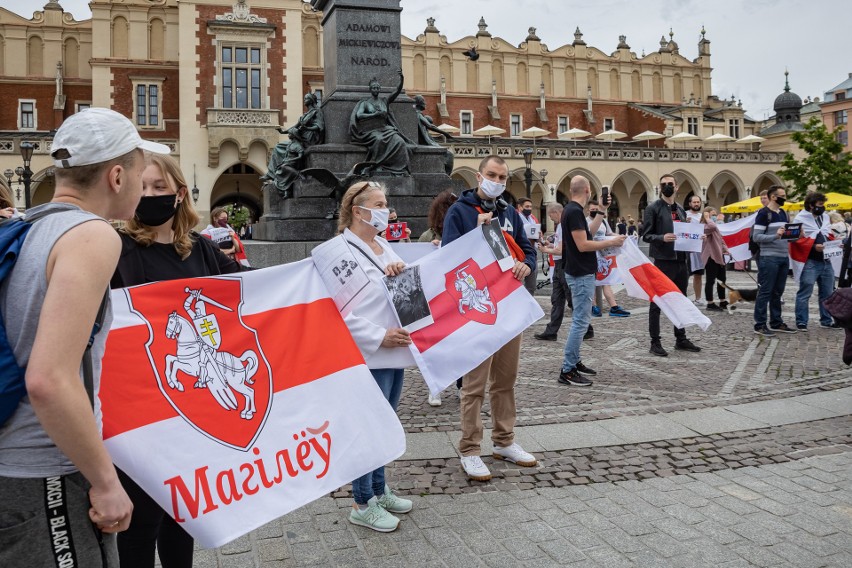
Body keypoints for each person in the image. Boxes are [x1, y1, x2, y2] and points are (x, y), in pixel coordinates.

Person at [0, 107, 171, 566]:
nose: (142, 183)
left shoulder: (27, 226)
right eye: (140, 171)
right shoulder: (91, 235)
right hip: (44, 472)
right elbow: (49, 379)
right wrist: (105, 481)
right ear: (117, 176)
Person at [109, 154, 244, 567]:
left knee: (181, 516)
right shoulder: (117, 250)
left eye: (158, 188)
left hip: (189, 407)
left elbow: (251, 289)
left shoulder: (201, 250)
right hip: (140, 412)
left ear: (180, 194)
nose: (148, 195)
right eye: (142, 187)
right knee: (140, 521)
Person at [441, 155, 537, 481]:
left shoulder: (510, 213)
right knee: (474, 386)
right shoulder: (460, 211)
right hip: (477, 309)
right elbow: (449, 258)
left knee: (506, 381)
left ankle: (504, 441)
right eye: (491, 175)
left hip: (509, 306)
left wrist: (528, 265)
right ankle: (470, 448)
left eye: (502, 177)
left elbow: (528, 249)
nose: (497, 180)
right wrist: (475, 236)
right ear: (479, 176)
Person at [336, 181, 414, 532]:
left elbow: (406, 287)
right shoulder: (340, 252)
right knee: (366, 428)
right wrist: (378, 336)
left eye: (385, 202)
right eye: (379, 203)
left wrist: (399, 273)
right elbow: (338, 311)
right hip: (371, 352)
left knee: (384, 424)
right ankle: (361, 501)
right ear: (358, 210)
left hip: (395, 351)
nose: (386, 209)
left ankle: (379, 490)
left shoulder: (382, 244)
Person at [560, 176, 627, 386]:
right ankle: (568, 370)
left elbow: (588, 233)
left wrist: (601, 211)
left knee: (582, 320)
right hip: (580, 273)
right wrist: (611, 241)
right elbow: (583, 245)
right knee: (580, 321)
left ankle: (575, 361)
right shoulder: (573, 212)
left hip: (580, 271)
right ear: (588, 190)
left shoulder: (572, 211)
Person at [641, 174, 702, 356]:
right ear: (660, 187)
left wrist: (697, 237)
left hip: (681, 261)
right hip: (663, 261)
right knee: (657, 302)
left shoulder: (681, 210)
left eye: (670, 184)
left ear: (677, 187)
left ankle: (680, 338)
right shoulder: (653, 208)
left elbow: (684, 235)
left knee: (680, 300)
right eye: (663, 184)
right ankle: (655, 342)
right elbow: (645, 235)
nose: (667, 186)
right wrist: (662, 237)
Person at [418, 190, 459, 406]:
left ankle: (462, 385)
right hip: (436, 296)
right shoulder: (429, 237)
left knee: (461, 343)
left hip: (457, 295)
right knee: (437, 345)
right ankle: (435, 387)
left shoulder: (465, 232)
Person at [752, 185, 797, 337]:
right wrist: (775, 236)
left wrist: (798, 235)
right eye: (782, 196)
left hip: (783, 257)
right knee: (765, 291)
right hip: (769, 257)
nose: (785, 198)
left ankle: (776, 322)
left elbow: (787, 237)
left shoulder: (783, 213)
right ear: (773, 197)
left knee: (778, 292)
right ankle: (760, 324)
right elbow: (756, 237)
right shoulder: (764, 214)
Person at [349, 72, 413, 176]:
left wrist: (401, 80)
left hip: (385, 128)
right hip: (370, 130)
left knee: (400, 141)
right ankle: (374, 166)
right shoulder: (365, 102)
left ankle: (401, 168)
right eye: (374, 88)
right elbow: (359, 115)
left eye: (377, 88)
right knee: (379, 140)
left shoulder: (384, 101)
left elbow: (396, 92)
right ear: (370, 89)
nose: (376, 90)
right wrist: (375, 114)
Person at [793, 192, 840, 331]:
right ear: (811, 205)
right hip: (810, 261)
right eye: (820, 205)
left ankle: (826, 320)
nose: (822, 207)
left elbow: (826, 234)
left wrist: (835, 243)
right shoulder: (800, 218)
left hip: (826, 260)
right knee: (805, 292)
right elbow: (796, 240)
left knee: (827, 293)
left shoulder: (825, 217)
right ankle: (801, 321)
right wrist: (813, 246)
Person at [587, 199, 630, 318]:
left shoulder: (604, 221)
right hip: (591, 255)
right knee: (592, 282)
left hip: (604, 255)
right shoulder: (585, 221)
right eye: (593, 210)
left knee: (606, 281)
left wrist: (622, 237)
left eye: (597, 209)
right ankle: (593, 307)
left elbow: (609, 234)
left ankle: (614, 307)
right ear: (588, 210)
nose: (595, 211)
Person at [535, 202, 572, 340]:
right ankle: (551, 332)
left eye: (550, 216)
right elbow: (558, 245)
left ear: (556, 212)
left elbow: (561, 250)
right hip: (558, 265)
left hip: (563, 265)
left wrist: (545, 250)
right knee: (557, 299)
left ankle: (587, 328)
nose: (550, 219)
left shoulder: (563, 225)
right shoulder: (560, 226)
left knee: (570, 298)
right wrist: (548, 245)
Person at [700, 207, 730, 311]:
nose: (714, 217)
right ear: (706, 215)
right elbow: (711, 227)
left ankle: (722, 300)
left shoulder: (714, 226)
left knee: (722, 279)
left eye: (714, 214)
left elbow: (720, 239)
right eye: (712, 214)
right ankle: (710, 303)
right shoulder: (704, 226)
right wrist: (707, 218)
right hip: (710, 256)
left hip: (719, 254)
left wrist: (726, 249)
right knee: (710, 280)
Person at [686, 195, 706, 305]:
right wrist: (685, 222)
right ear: (690, 204)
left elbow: (706, 230)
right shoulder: (684, 215)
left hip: (699, 249)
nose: (696, 204)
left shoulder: (702, 217)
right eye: (694, 202)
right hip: (687, 250)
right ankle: (682, 298)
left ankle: (698, 298)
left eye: (698, 202)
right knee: (684, 275)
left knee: (698, 275)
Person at [517, 197, 540, 294]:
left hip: (532, 254)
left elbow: (539, 232)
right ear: (520, 207)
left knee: (532, 285)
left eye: (530, 207)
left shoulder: (533, 219)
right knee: (518, 283)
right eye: (527, 206)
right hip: (519, 254)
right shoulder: (516, 218)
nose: (529, 209)